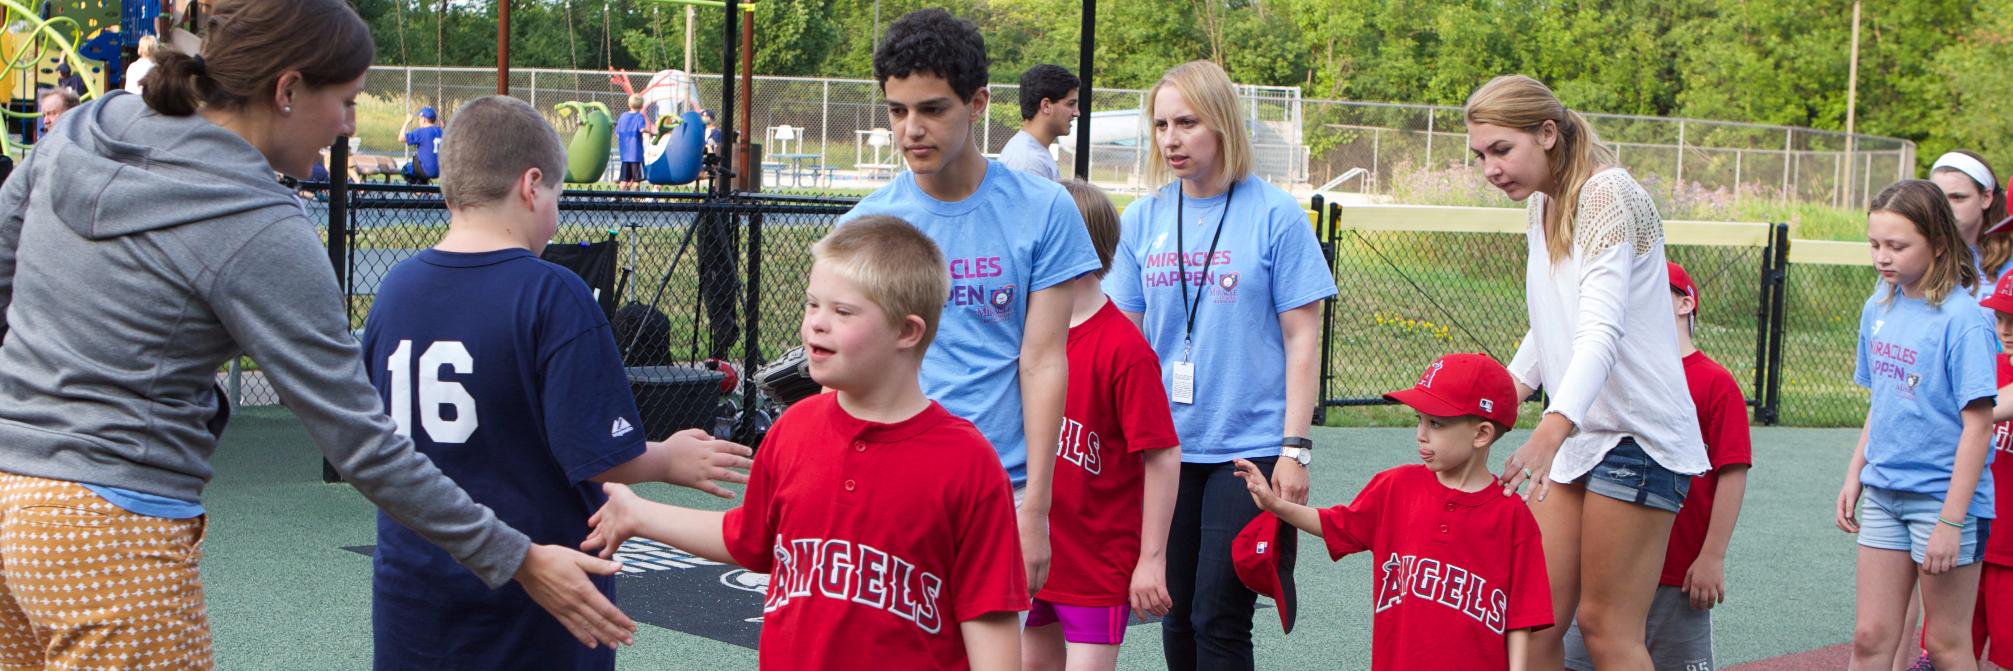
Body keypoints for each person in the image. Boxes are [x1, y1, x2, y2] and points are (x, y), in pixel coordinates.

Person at [0, 1, 636, 668]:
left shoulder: (87, 126)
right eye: (348, 100)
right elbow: (362, 443)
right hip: (111, 529)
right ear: (287, 90)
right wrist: (518, 555)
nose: (349, 125)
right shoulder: (257, 225)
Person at [362, 96, 755, 671]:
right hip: (537, 590)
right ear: (531, 186)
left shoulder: (395, 288)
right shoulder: (552, 292)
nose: (554, 214)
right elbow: (595, 455)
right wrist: (668, 459)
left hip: (415, 586)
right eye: (557, 197)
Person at [583, 217, 1029, 670]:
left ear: (907, 331)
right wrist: (639, 513)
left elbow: (989, 619)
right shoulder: (794, 429)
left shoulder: (967, 463)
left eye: (843, 312)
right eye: (813, 305)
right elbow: (750, 539)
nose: (817, 324)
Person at [842, 8, 1102, 598]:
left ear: (978, 104)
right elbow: (850, 375)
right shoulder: (868, 223)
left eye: (932, 109)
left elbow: (1042, 362)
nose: (911, 129)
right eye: (898, 110)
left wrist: (1035, 506)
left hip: (999, 486)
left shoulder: (1044, 209)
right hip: (891, 479)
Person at [1463, 74, 1711, 671]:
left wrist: (1551, 428)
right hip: (1580, 433)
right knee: (1536, 620)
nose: (1490, 168)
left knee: (1606, 629)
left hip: (1637, 437)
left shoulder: (1607, 195)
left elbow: (1601, 331)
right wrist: (1498, 396)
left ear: (1547, 133)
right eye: (1479, 155)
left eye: (1502, 149)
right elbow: (1555, 321)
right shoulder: (1542, 204)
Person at [1102, 59, 1334, 670]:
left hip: (1248, 447)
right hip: (1165, 449)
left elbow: (1302, 339)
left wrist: (1294, 448)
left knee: (1217, 614)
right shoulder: (1143, 219)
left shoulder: (1276, 216)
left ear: (1223, 125)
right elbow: (1124, 342)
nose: (1171, 139)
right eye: (1160, 125)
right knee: (1172, 611)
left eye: (1187, 122)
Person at [1230, 353, 1554, 670]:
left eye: (1436, 423)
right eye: (1420, 420)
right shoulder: (1396, 487)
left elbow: (1520, 621)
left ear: (1482, 434)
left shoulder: (1512, 516)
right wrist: (1275, 505)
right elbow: (1336, 524)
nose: (1421, 434)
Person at [1837, 179, 1998, 671]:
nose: (1882, 257)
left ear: (1939, 243)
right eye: (1875, 245)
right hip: (1885, 492)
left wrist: (1951, 521)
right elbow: (1884, 401)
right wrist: (1854, 475)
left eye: (1897, 246)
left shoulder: (1964, 319)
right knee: (1870, 638)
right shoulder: (1878, 306)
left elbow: (1978, 427)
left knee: (1947, 644)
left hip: (1942, 501)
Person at [1561, 260, 1753, 671]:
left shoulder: (1714, 382)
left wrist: (1712, 556)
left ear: (1686, 304)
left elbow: (1732, 472)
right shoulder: (1608, 373)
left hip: (1677, 571)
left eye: (1649, 289)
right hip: (1605, 570)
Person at [1023, 180, 1182, 671]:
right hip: (1032, 550)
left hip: (1097, 563)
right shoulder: (1024, 333)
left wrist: (1151, 558)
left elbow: (1162, 454)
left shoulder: (1124, 349)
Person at [1974, 271, 2013, 671]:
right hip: (1973, 538)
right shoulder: (1989, 368)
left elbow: (1980, 412)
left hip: (2011, 551)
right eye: (2001, 317)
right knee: (1946, 650)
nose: (2006, 330)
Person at [1931, 151, 2010, 285]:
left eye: (1958, 197)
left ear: (1986, 198)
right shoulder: (1913, 257)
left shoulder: (2009, 263)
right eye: (1937, 198)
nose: (1944, 208)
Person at [1000, 64, 1078, 181]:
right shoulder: (1028, 162)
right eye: (1071, 104)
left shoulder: (1034, 153)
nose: (1077, 113)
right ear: (1046, 106)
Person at [400, 105, 443, 184]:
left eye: (419, 118)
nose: (419, 120)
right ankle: (424, 189)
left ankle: (419, 191)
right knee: (424, 161)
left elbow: (401, 138)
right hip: (440, 171)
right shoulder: (441, 131)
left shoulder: (421, 131)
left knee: (406, 169)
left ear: (423, 119)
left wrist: (407, 122)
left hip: (426, 171)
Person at [614, 94, 649, 189]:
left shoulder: (623, 116)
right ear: (642, 106)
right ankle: (637, 200)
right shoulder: (639, 117)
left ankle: (617, 198)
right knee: (637, 180)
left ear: (629, 104)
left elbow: (617, 133)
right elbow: (641, 129)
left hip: (625, 155)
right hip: (636, 156)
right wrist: (650, 131)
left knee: (624, 180)